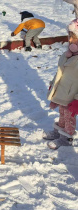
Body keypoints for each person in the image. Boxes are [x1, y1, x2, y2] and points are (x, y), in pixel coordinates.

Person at [43, 19, 78, 149]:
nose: (69, 40)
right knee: (62, 114)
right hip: (62, 93)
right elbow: (59, 73)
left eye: (73, 38)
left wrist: (77, 101)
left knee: (69, 118)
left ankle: (66, 138)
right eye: (69, 36)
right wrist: (53, 87)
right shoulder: (67, 54)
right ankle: (59, 132)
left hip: (72, 97)